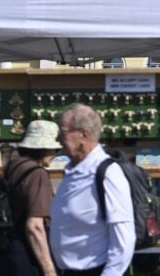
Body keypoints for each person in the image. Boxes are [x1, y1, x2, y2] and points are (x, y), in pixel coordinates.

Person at [49, 103, 135, 276]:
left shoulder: (107, 173)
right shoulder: (73, 170)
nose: (58, 139)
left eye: (63, 133)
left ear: (83, 134)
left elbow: (124, 239)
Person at [0, 120, 61, 276]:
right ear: (44, 148)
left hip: (6, 251)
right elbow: (34, 227)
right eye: (54, 149)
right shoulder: (37, 174)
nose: (55, 154)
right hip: (27, 255)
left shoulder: (13, 166)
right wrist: (50, 271)